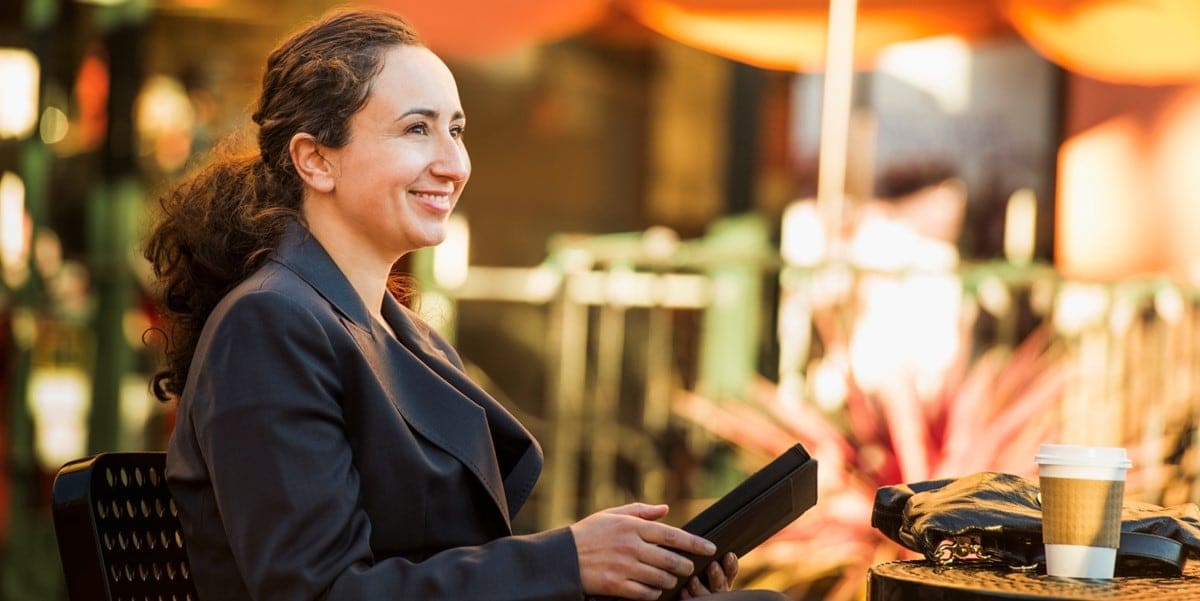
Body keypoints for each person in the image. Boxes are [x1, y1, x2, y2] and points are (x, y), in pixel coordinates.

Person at [144, 9, 790, 601]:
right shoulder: (270, 323)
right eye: (417, 129)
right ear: (315, 160)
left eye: (456, 129)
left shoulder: (396, 331)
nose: (453, 162)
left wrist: (627, 573)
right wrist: (566, 560)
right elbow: (319, 593)